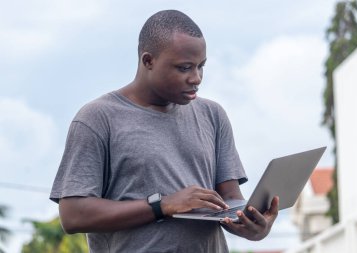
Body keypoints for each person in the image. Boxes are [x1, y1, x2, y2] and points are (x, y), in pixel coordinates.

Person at [50, 9, 279, 253]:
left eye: (201, 66)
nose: (196, 78)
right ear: (148, 61)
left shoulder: (213, 115)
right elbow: (73, 216)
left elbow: (230, 201)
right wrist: (163, 205)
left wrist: (254, 227)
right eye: (184, 68)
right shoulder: (97, 118)